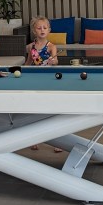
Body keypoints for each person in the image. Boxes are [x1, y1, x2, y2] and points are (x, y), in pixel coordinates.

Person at [24, 16, 63, 153]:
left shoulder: (51, 47)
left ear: (49, 30)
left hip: (49, 81)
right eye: (39, 28)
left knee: (52, 112)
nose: (42, 30)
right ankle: (35, 140)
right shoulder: (31, 47)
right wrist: (20, 71)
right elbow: (28, 63)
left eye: (45, 28)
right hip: (35, 81)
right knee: (37, 110)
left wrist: (53, 61)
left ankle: (58, 142)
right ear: (34, 30)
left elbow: (56, 61)